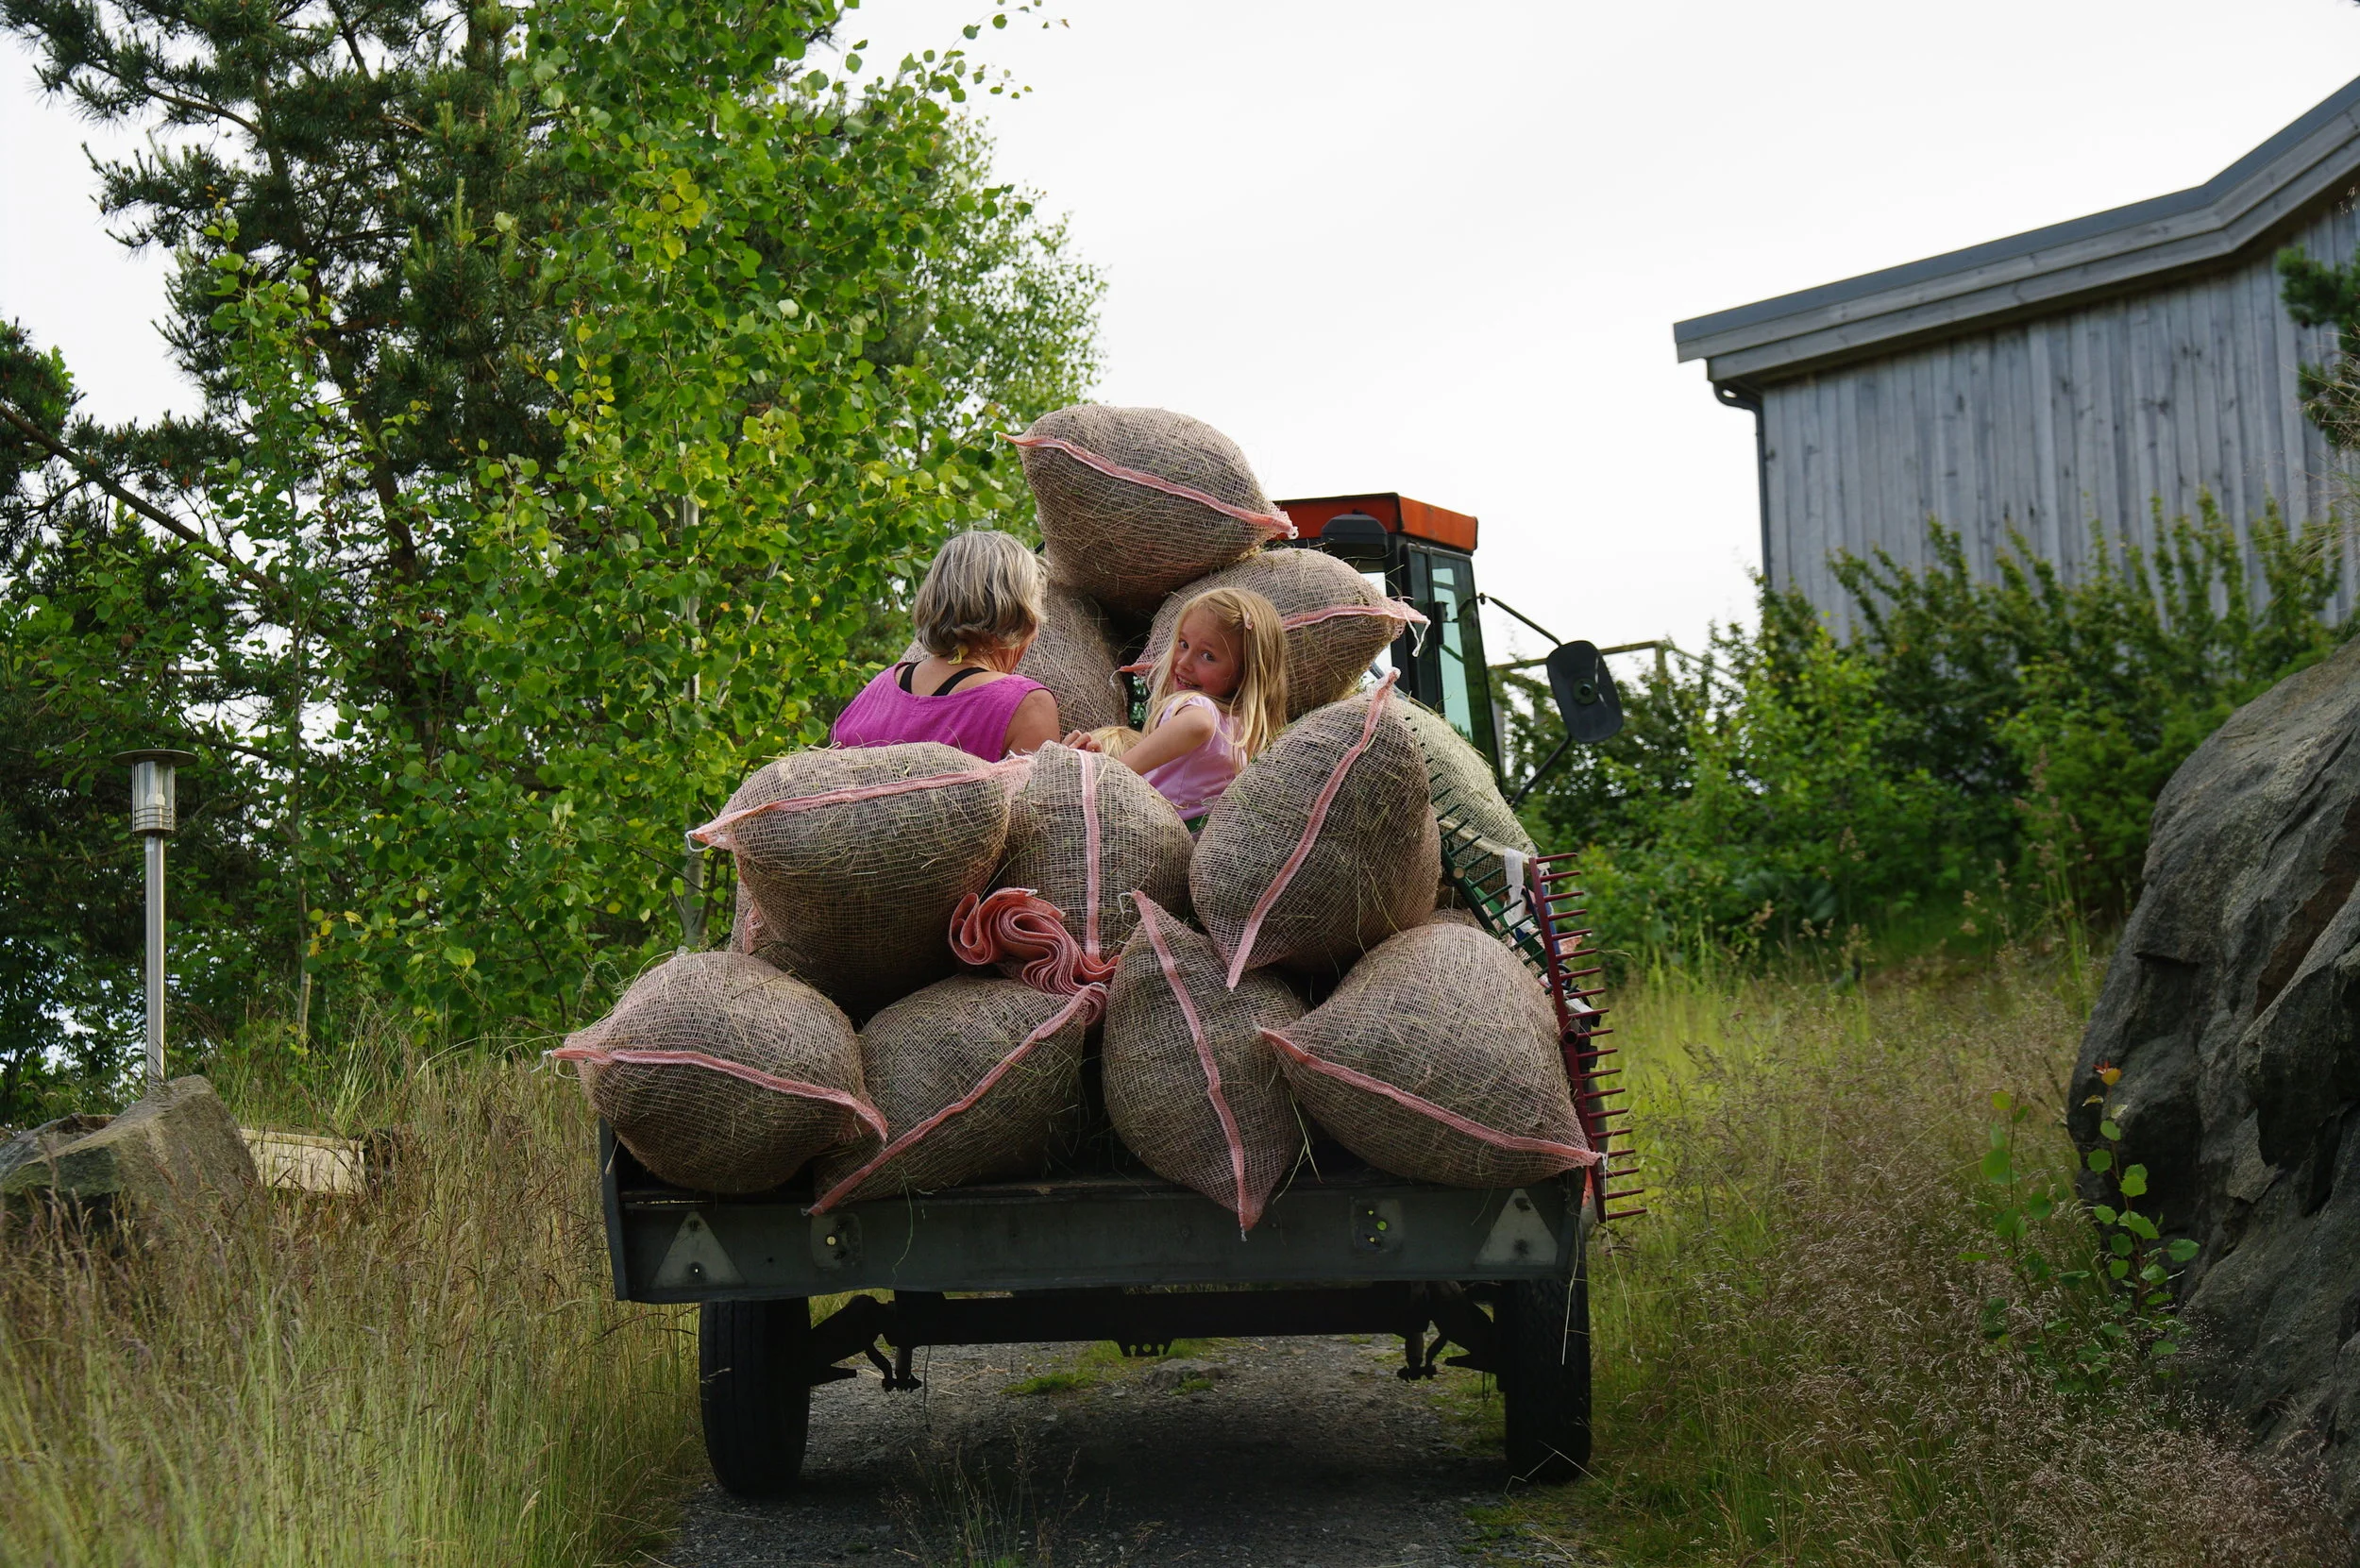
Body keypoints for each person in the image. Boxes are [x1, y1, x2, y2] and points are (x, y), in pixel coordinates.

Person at [832, 531, 1060, 759]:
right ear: (1021, 616)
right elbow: (1043, 793)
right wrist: (1073, 765)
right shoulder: (1027, 706)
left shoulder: (875, 692)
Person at [1067, 586, 1288, 824]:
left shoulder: (1199, 706)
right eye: (1183, 643)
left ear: (1243, 673)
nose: (1184, 662)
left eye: (1208, 656)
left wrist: (1107, 774)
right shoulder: (1243, 732)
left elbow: (1198, 723)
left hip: (1148, 831)